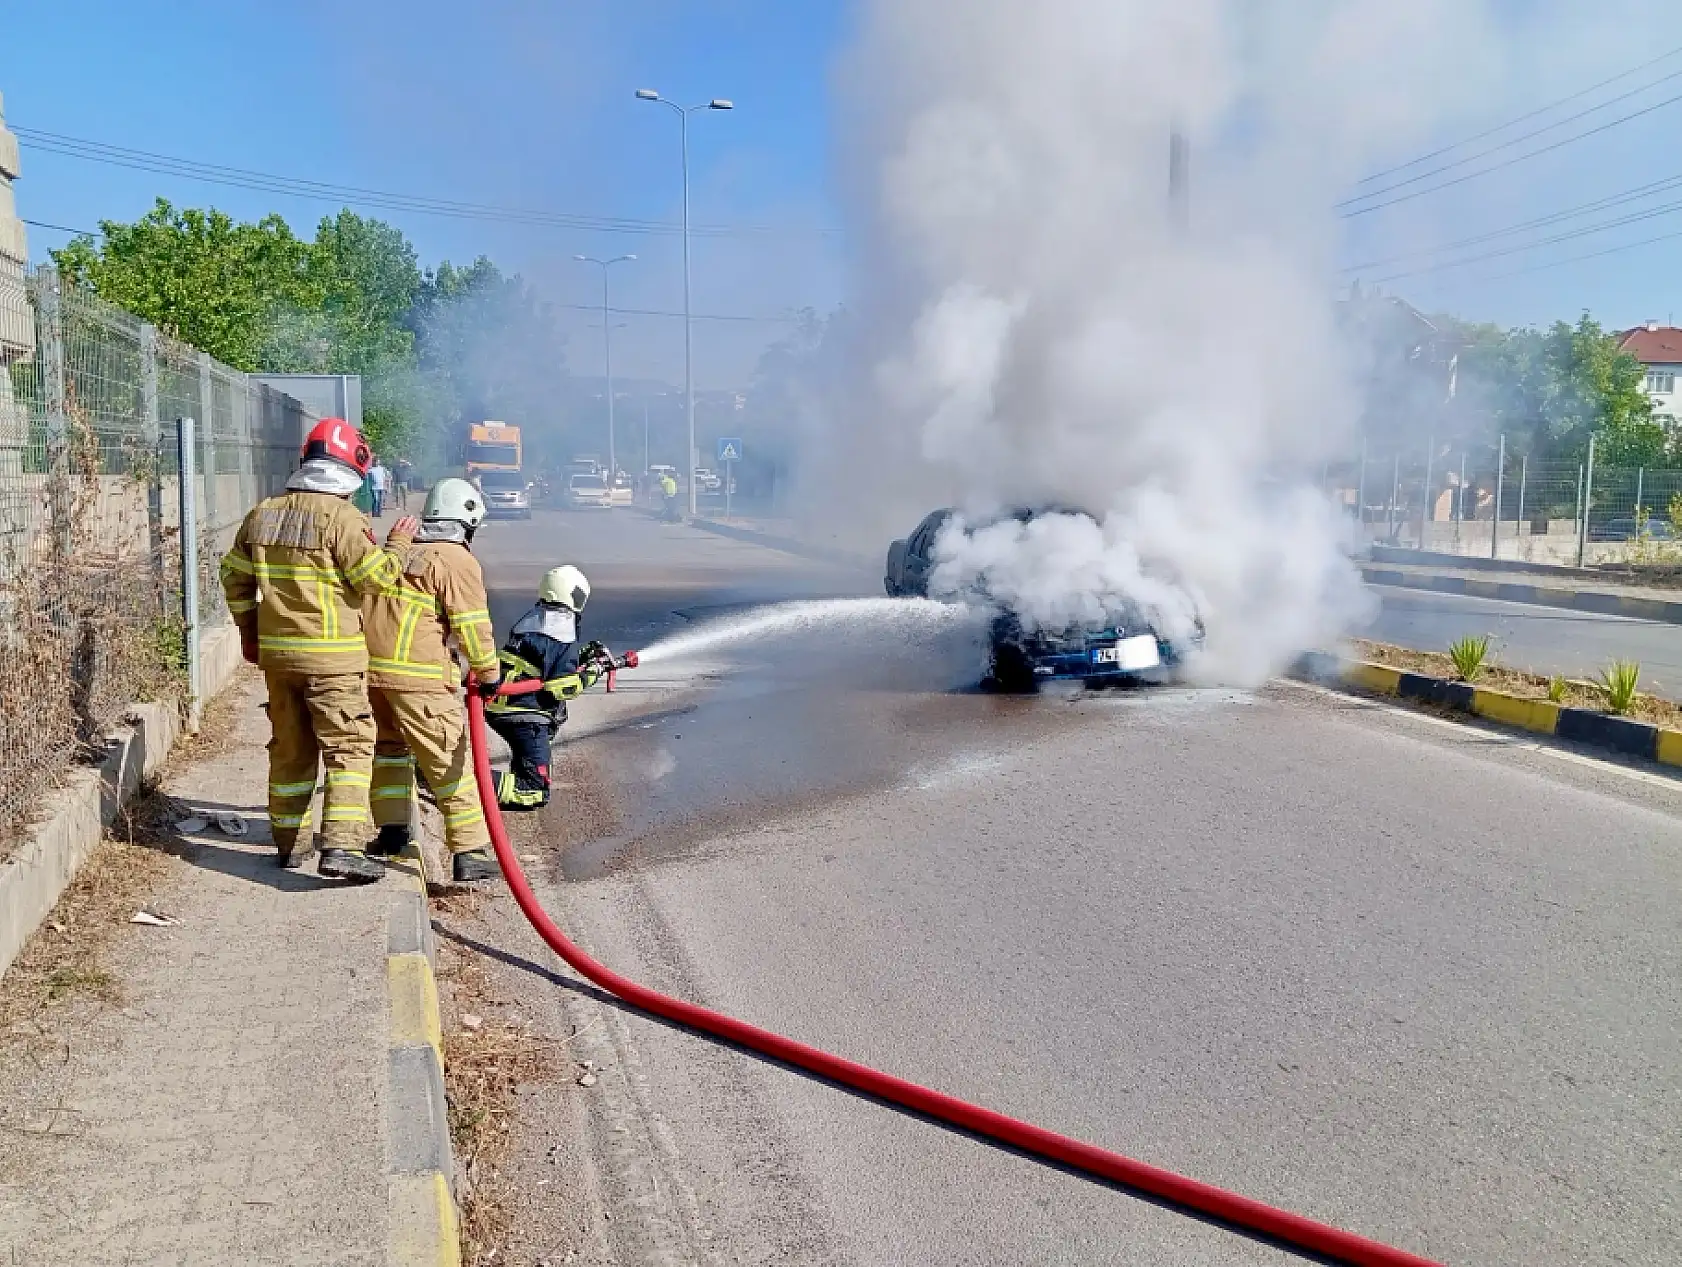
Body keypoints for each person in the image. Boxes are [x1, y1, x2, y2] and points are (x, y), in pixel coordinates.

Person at [220, 418, 416, 882]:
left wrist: (250, 633)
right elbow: (375, 579)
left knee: (291, 749)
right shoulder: (342, 519)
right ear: (352, 470)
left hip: (278, 659)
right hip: (333, 661)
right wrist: (399, 547)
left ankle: (289, 844)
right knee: (349, 746)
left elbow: (233, 578)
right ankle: (343, 845)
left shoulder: (262, 514)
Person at [361, 477, 504, 884]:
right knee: (449, 761)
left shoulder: (399, 551)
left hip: (373, 676)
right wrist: (489, 675)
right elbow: (472, 625)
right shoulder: (455, 560)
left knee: (389, 753)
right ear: (467, 522)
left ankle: (392, 832)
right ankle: (470, 852)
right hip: (420, 680)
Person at [484, 565, 610, 810]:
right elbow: (562, 687)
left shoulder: (535, 620)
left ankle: (480, 786)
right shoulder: (561, 631)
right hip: (524, 714)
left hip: (503, 708)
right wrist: (593, 673)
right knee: (534, 790)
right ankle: (465, 784)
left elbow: (542, 662)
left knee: (526, 765)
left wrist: (582, 656)